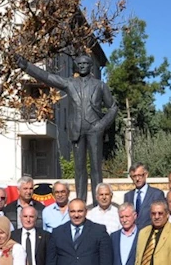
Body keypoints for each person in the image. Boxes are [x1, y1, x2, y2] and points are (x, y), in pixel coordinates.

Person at [16, 53, 117, 202]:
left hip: (94, 129)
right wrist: (27, 67)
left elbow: (113, 107)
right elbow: (48, 77)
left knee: (96, 168)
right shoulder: (70, 83)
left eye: (85, 64)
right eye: (79, 64)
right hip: (77, 130)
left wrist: (101, 125)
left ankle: (98, 204)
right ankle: (80, 203)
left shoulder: (100, 85)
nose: (82, 66)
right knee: (79, 169)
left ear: (91, 67)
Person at [125, 163, 164, 229]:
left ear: (146, 174)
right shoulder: (128, 196)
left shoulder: (157, 194)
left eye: (140, 175)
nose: (137, 179)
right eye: (134, 176)